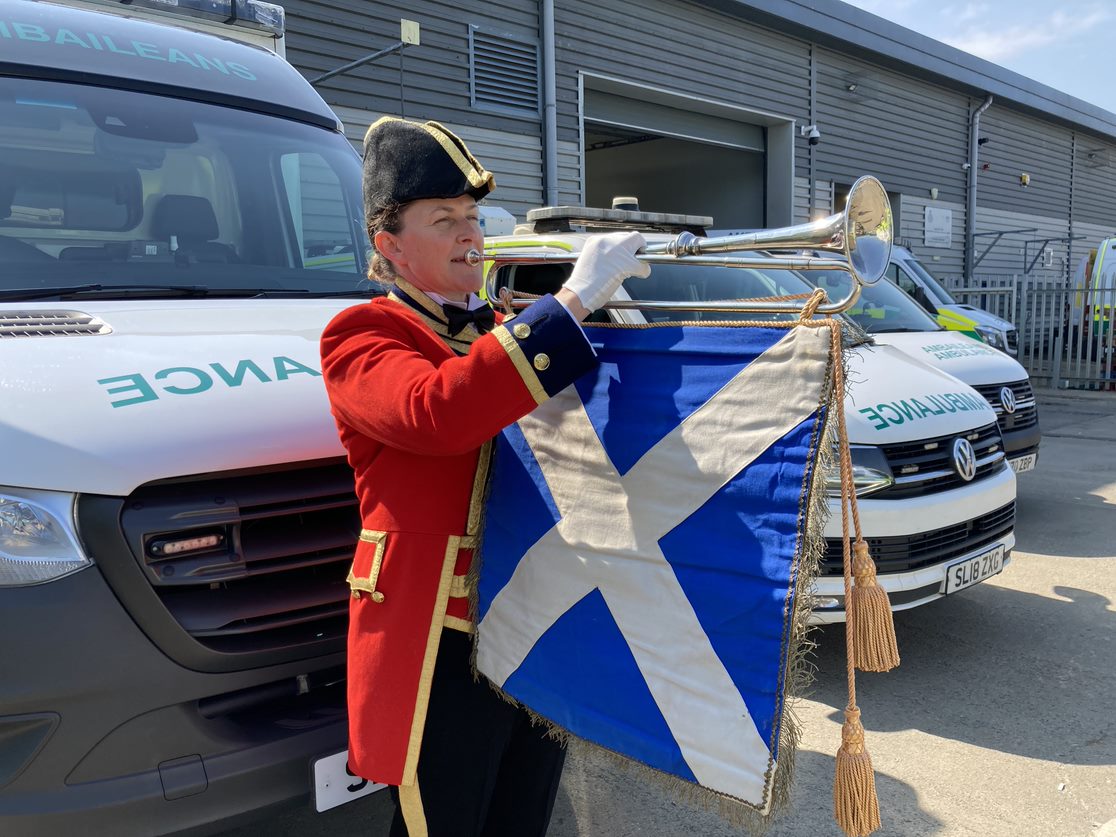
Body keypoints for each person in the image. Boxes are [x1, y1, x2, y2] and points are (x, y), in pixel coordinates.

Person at [319, 116, 649, 837]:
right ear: (390, 246)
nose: (470, 234)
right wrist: (569, 305)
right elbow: (438, 410)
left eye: (471, 216)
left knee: (522, 813)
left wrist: (629, 334)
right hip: (434, 638)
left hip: (530, 612)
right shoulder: (361, 335)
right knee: (444, 819)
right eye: (444, 219)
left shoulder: (506, 326)